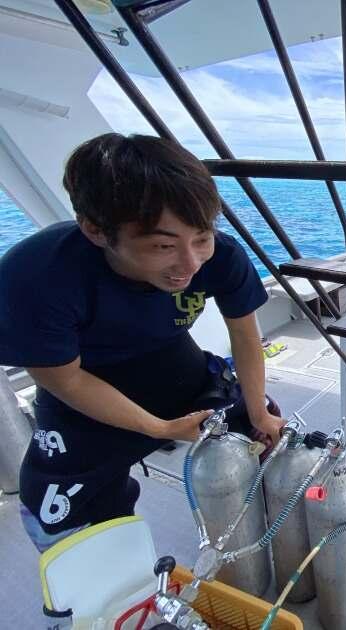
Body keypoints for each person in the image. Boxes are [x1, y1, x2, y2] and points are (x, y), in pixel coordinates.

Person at [0, 133, 284, 554]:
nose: (189, 265)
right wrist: (159, 428)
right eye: (163, 245)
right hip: (85, 387)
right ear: (96, 230)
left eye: (201, 238)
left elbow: (244, 334)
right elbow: (66, 381)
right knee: (54, 513)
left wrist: (259, 411)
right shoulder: (35, 276)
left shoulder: (220, 255)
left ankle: (257, 544)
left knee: (266, 435)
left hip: (171, 359)